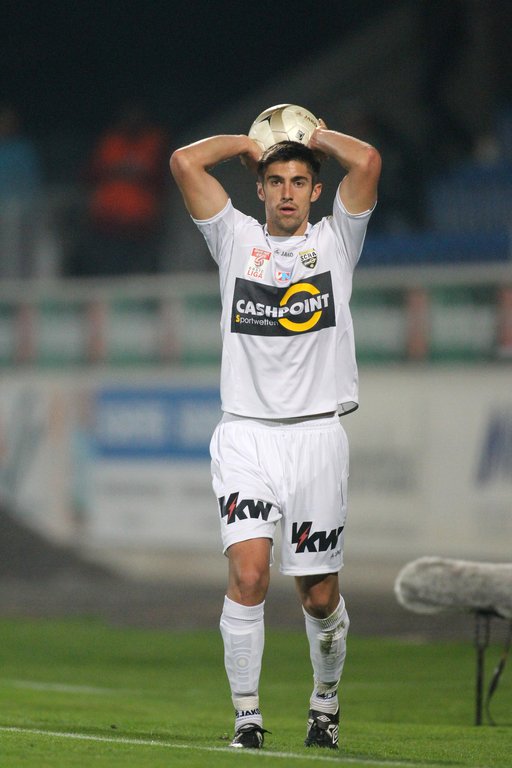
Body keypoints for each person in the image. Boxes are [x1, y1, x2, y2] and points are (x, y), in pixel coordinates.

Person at [170, 115, 380, 750]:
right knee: (250, 576)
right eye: (275, 181)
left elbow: (367, 162)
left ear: (316, 191)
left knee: (318, 597)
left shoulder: (337, 242)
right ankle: (247, 719)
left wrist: (316, 137)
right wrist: (248, 143)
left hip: (316, 437)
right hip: (246, 435)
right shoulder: (233, 238)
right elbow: (183, 162)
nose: (287, 192)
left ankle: (324, 704)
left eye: (298, 182)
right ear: (259, 189)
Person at [69, 102, 169, 276]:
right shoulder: (111, 141)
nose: (132, 119)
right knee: (107, 267)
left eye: (136, 115)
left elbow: (159, 175)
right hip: (107, 218)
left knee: (138, 269)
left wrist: (128, 170)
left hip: (141, 219)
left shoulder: (154, 140)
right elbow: (91, 173)